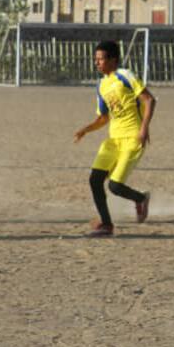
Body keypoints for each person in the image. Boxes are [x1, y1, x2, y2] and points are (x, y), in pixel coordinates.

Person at [74, 40, 155, 238]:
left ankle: (140, 198)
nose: (97, 63)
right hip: (113, 140)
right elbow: (104, 117)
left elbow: (149, 99)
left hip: (132, 138)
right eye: (96, 59)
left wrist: (144, 128)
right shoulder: (101, 85)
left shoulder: (125, 75)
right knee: (95, 180)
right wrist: (87, 128)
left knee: (115, 186)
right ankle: (106, 225)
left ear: (113, 59)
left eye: (101, 59)